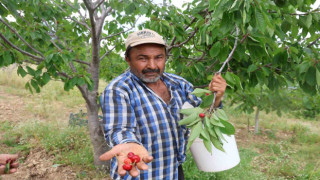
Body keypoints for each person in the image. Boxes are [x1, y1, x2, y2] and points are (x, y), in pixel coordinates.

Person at [99, 29, 227, 179]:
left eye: (159, 57)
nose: (152, 65)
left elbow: (201, 115)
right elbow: (119, 129)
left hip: (173, 171)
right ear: (128, 59)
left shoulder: (179, 84)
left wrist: (216, 98)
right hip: (140, 174)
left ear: (165, 57)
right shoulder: (119, 90)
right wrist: (129, 144)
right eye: (142, 58)